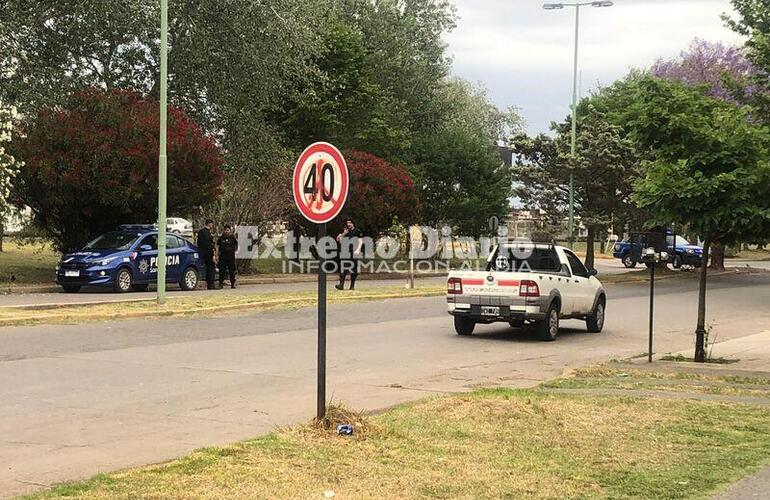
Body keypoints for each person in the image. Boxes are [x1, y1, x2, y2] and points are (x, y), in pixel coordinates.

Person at [335, 217, 363, 290]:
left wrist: (358, 250)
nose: (348, 224)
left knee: (353, 269)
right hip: (345, 252)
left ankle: (352, 286)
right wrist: (344, 233)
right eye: (347, 223)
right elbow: (338, 239)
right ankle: (341, 285)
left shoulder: (357, 231)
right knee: (343, 268)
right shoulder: (345, 230)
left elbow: (360, 241)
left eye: (350, 223)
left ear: (353, 223)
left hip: (354, 252)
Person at [197, 219, 217, 290]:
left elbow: (199, 243)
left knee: (207, 268)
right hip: (209, 253)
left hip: (202, 252)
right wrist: (213, 253)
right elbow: (210, 244)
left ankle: (209, 283)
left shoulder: (200, 232)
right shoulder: (208, 233)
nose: (212, 225)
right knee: (211, 268)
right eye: (211, 224)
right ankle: (211, 284)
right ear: (209, 224)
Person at [217, 224, 239, 289]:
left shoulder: (232, 238)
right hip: (223, 256)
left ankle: (232, 284)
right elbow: (217, 246)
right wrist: (217, 254)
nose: (226, 231)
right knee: (222, 271)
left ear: (230, 230)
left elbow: (236, 245)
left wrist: (235, 251)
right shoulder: (221, 238)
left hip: (231, 256)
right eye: (225, 230)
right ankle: (220, 284)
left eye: (228, 230)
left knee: (232, 271)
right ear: (224, 231)